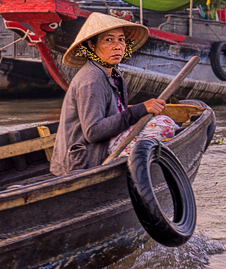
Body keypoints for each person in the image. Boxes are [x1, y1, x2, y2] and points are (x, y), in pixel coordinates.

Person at [50, 12, 177, 176]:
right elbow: (93, 132)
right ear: (92, 45)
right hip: (82, 159)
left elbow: (119, 116)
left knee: (161, 122)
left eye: (121, 40)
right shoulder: (92, 79)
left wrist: (142, 111)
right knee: (164, 125)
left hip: (101, 145)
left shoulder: (113, 75)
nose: (117, 46)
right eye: (108, 40)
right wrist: (140, 109)